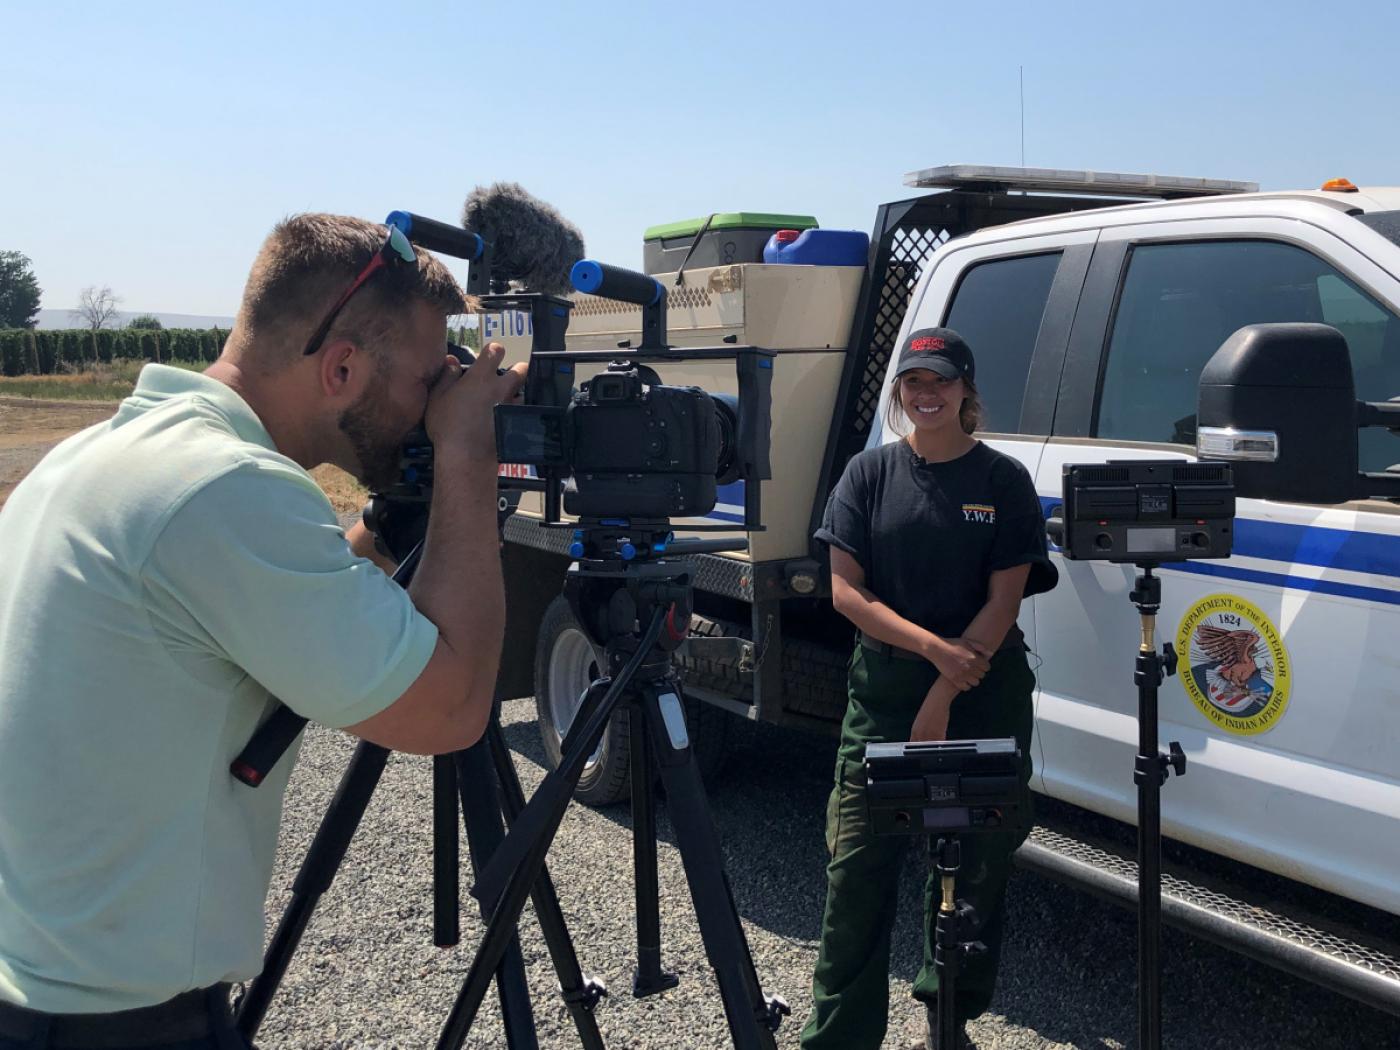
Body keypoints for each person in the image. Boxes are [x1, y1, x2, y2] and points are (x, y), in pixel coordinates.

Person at [0, 214, 525, 1049]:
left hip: (45, 991)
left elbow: (292, 601)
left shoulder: (96, 458)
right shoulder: (227, 491)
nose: (439, 403)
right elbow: (453, 705)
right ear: (343, 367)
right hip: (118, 1025)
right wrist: (468, 453)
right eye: (431, 381)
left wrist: (392, 525)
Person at [799, 328, 1057, 1050]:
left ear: (967, 390)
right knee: (856, 871)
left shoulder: (1001, 481)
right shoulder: (869, 475)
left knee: (976, 864)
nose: (927, 393)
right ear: (899, 393)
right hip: (885, 694)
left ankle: (948, 1017)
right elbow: (847, 593)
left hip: (983, 688)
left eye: (941, 381)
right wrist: (931, 654)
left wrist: (944, 688)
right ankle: (838, 1036)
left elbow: (1005, 602)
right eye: (913, 382)